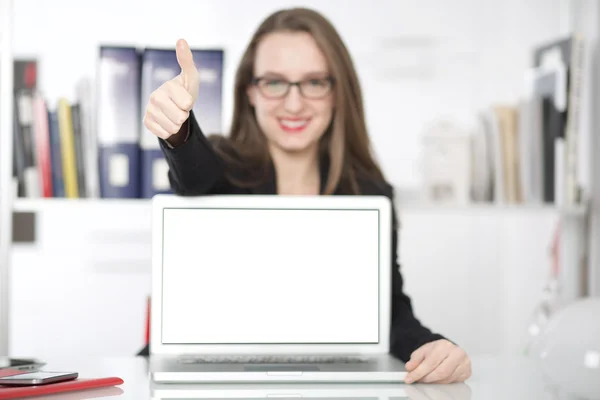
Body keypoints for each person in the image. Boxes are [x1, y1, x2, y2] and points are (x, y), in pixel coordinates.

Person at [142, 7, 471, 384]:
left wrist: (434, 349)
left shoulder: (367, 191)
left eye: (314, 82)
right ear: (250, 91)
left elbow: (389, 312)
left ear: (337, 91)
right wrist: (178, 130)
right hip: (209, 376)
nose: (294, 104)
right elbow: (194, 179)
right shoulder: (221, 169)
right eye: (275, 82)